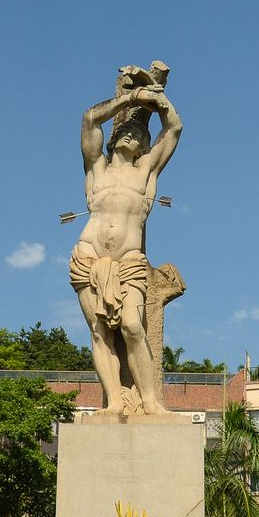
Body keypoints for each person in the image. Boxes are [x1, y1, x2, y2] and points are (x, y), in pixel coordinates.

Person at [69, 64, 182, 416]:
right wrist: (129, 99)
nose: (133, 134)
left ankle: (149, 402)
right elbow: (90, 119)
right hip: (88, 257)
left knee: (133, 326)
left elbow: (174, 127)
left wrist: (158, 98)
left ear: (145, 144)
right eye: (128, 130)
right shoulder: (96, 170)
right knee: (100, 331)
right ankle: (115, 401)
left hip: (129, 261)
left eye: (139, 133)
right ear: (116, 138)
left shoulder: (145, 173)